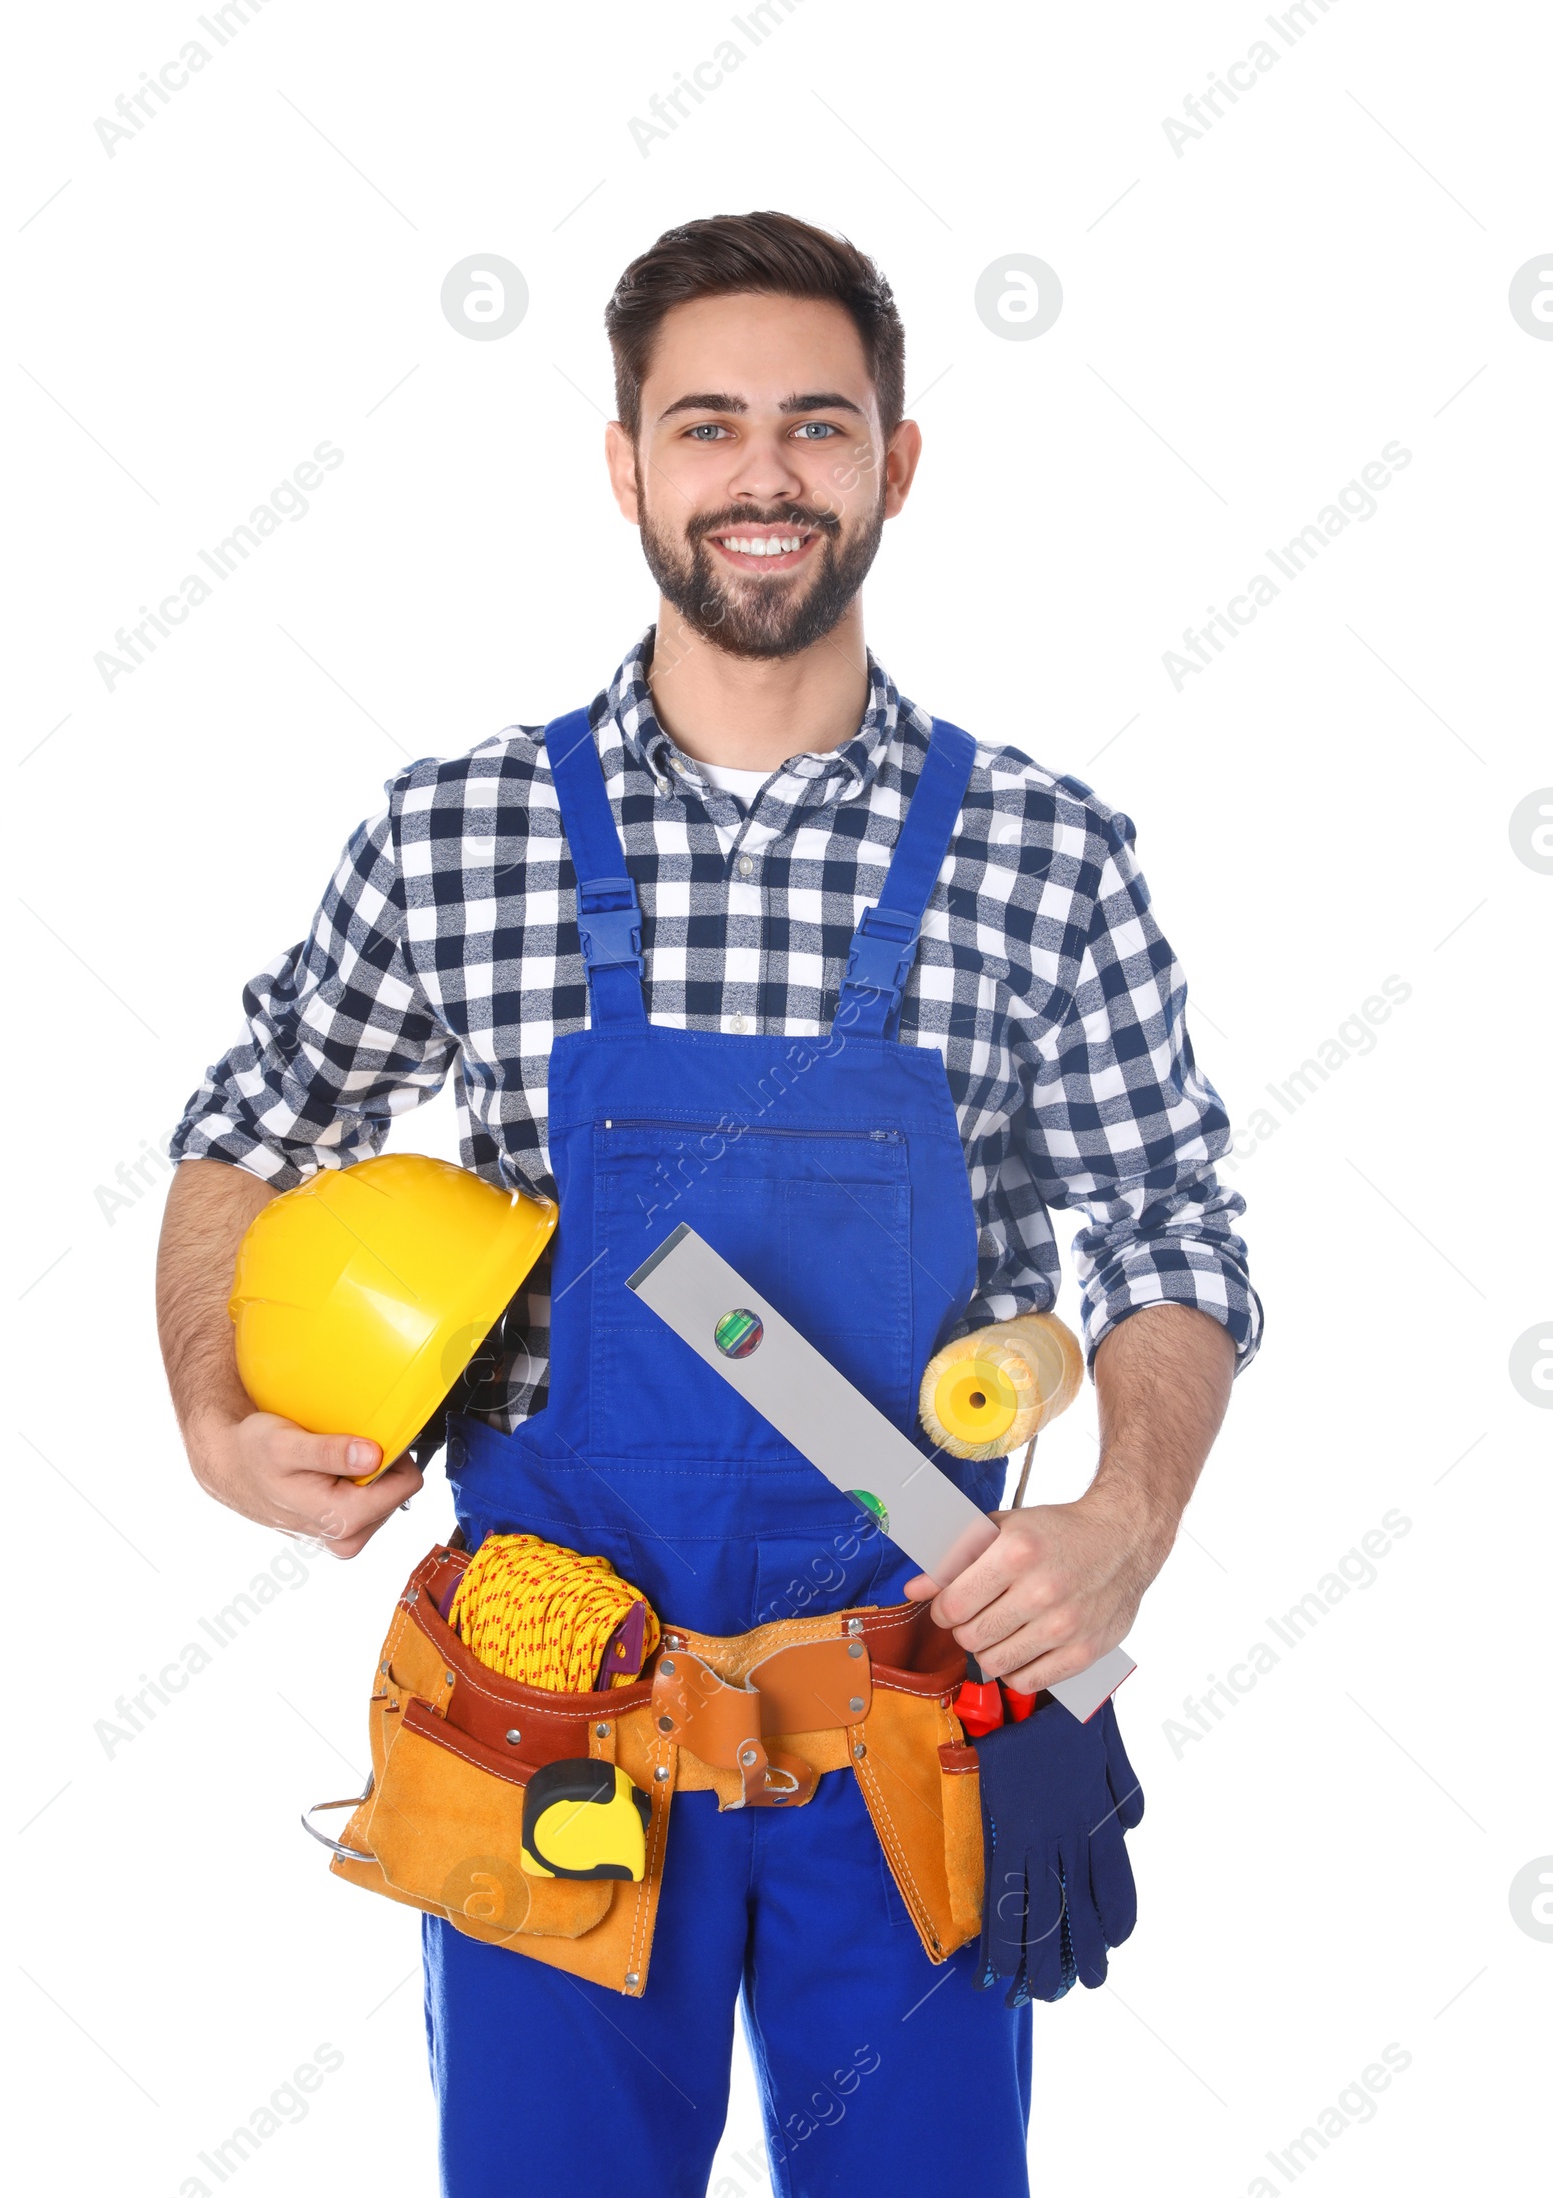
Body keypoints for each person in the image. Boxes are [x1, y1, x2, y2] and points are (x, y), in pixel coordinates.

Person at [156, 210, 1261, 2198]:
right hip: (550, 1728)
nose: (761, 475)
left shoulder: (1040, 857)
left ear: (892, 465)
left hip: (910, 1733)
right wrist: (211, 1412)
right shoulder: (456, 832)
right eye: (706, 425)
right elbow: (245, 1125)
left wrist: (1125, 1518)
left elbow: (1172, 1228)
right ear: (626, 464)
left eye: (816, 426)